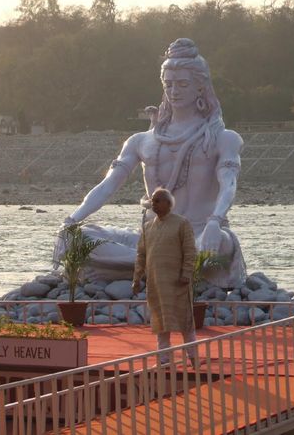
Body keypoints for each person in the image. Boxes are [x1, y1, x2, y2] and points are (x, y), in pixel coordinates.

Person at [55, 38, 246, 288]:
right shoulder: (142, 140)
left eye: (183, 84)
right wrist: (70, 221)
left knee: (221, 243)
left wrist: (215, 221)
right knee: (78, 237)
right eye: (169, 84)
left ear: (200, 87)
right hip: (151, 237)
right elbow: (108, 186)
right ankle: (155, 264)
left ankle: (136, 268)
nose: (174, 91)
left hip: (200, 234)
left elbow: (228, 184)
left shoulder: (222, 138)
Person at [133, 187, 197, 363]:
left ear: (168, 203)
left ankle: (193, 356)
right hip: (155, 282)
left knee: (185, 320)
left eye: (157, 200)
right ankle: (164, 358)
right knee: (160, 322)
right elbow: (141, 254)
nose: (153, 204)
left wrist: (186, 273)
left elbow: (190, 251)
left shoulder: (181, 223)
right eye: (152, 201)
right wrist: (137, 278)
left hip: (177, 282)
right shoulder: (147, 227)